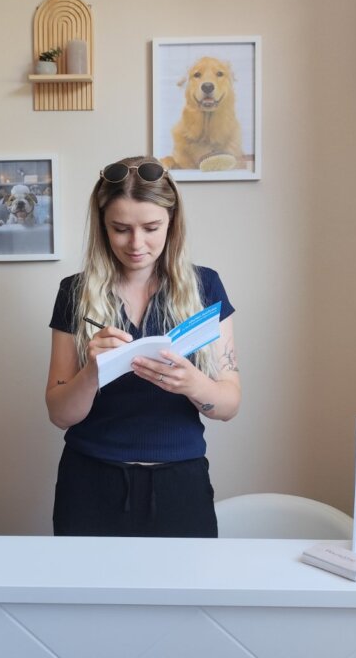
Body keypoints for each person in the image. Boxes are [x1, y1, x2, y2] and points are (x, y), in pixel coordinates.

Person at [45, 156, 240, 537]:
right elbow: (59, 415)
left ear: (172, 222)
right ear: (102, 226)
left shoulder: (205, 287)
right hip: (90, 484)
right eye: (120, 229)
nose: (136, 244)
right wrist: (92, 372)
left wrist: (192, 384)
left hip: (180, 485)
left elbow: (229, 405)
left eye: (151, 228)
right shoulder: (75, 292)